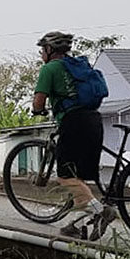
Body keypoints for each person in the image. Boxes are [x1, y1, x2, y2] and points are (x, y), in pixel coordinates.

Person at [31, 31, 116, 240]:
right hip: (94, 120)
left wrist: (38, 110)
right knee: (79, 178)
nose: (41, 54)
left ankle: (101, 211)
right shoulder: (78, 66)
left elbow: (39, 102)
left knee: (65, 176)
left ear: (50, 50)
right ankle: (75, 225)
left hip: (73, 123)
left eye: (43, 50)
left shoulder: (50, 69)